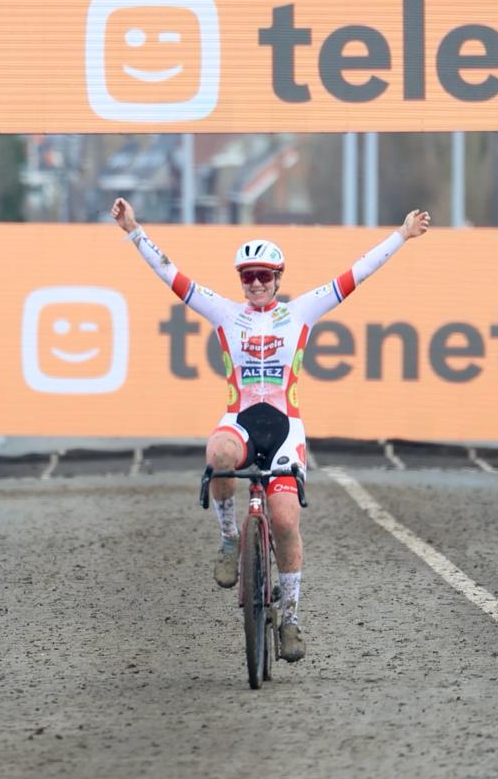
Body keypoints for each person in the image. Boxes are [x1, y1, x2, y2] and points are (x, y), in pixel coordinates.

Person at [111, 195, 430, 662]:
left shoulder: (300, 311)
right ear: (240, 281)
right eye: (248, 277)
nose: (256, 283)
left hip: (285, 429)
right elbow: (171, 274)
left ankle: (292, 620)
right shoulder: (224, 312)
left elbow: (356, 273)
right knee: (217, 453)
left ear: (278, 278)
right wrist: (134, 231)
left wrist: (401, 235)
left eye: (264, 276)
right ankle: (228, 539)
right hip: (239, 420)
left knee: (284, 519)